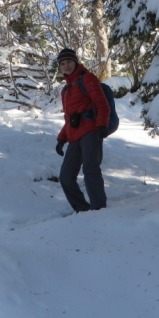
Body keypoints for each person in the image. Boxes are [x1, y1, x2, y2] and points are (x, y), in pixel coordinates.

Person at [54, 48, 111, 212]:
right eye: (62, 63)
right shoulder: (65, 90)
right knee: (65, 177)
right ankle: (83, 210)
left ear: (75, 62)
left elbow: (101, 103)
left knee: (90, 170)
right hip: (74, 135)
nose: (66, 66)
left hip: (91, 131)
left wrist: (102, 125)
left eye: (69, 62)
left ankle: (99, 210)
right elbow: (69, 118)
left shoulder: (88, 78)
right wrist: (61, 139)